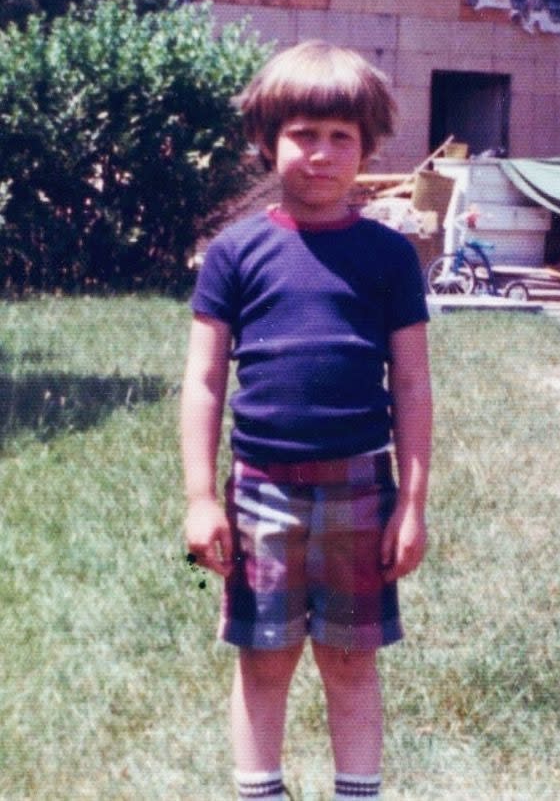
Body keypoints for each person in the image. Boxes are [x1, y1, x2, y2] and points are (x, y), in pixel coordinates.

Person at [180, 40, 432, 801]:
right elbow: (202, 380)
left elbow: (414, 387)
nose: (320, 155)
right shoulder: (235, 253)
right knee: (263, 658)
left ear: (368, 148)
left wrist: (412, 507)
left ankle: (359, 791)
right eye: (302, 135)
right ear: (267, 140)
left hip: (361, 488)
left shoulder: (390, 257)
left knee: (352, 662)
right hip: (260, 491)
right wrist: (200, 499)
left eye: (340, 138)